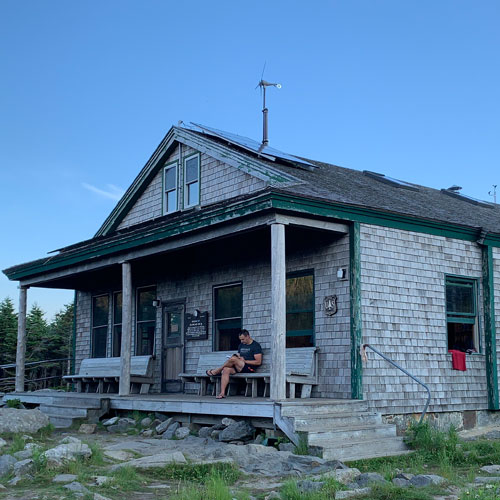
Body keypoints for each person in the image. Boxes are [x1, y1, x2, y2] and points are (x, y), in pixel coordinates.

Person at [206, 329, 262, 399]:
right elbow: (239, 355)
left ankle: (217, 371)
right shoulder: (241, 345)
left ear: (248, 336)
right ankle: (222, 393)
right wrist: (237, 356)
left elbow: (258, 362)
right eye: (240, 340)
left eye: (243, 339)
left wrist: (245, 361)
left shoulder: (255, 346)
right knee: (226, 369)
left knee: (233, 360)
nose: (242, 341)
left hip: (249, 368)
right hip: (239, 366)